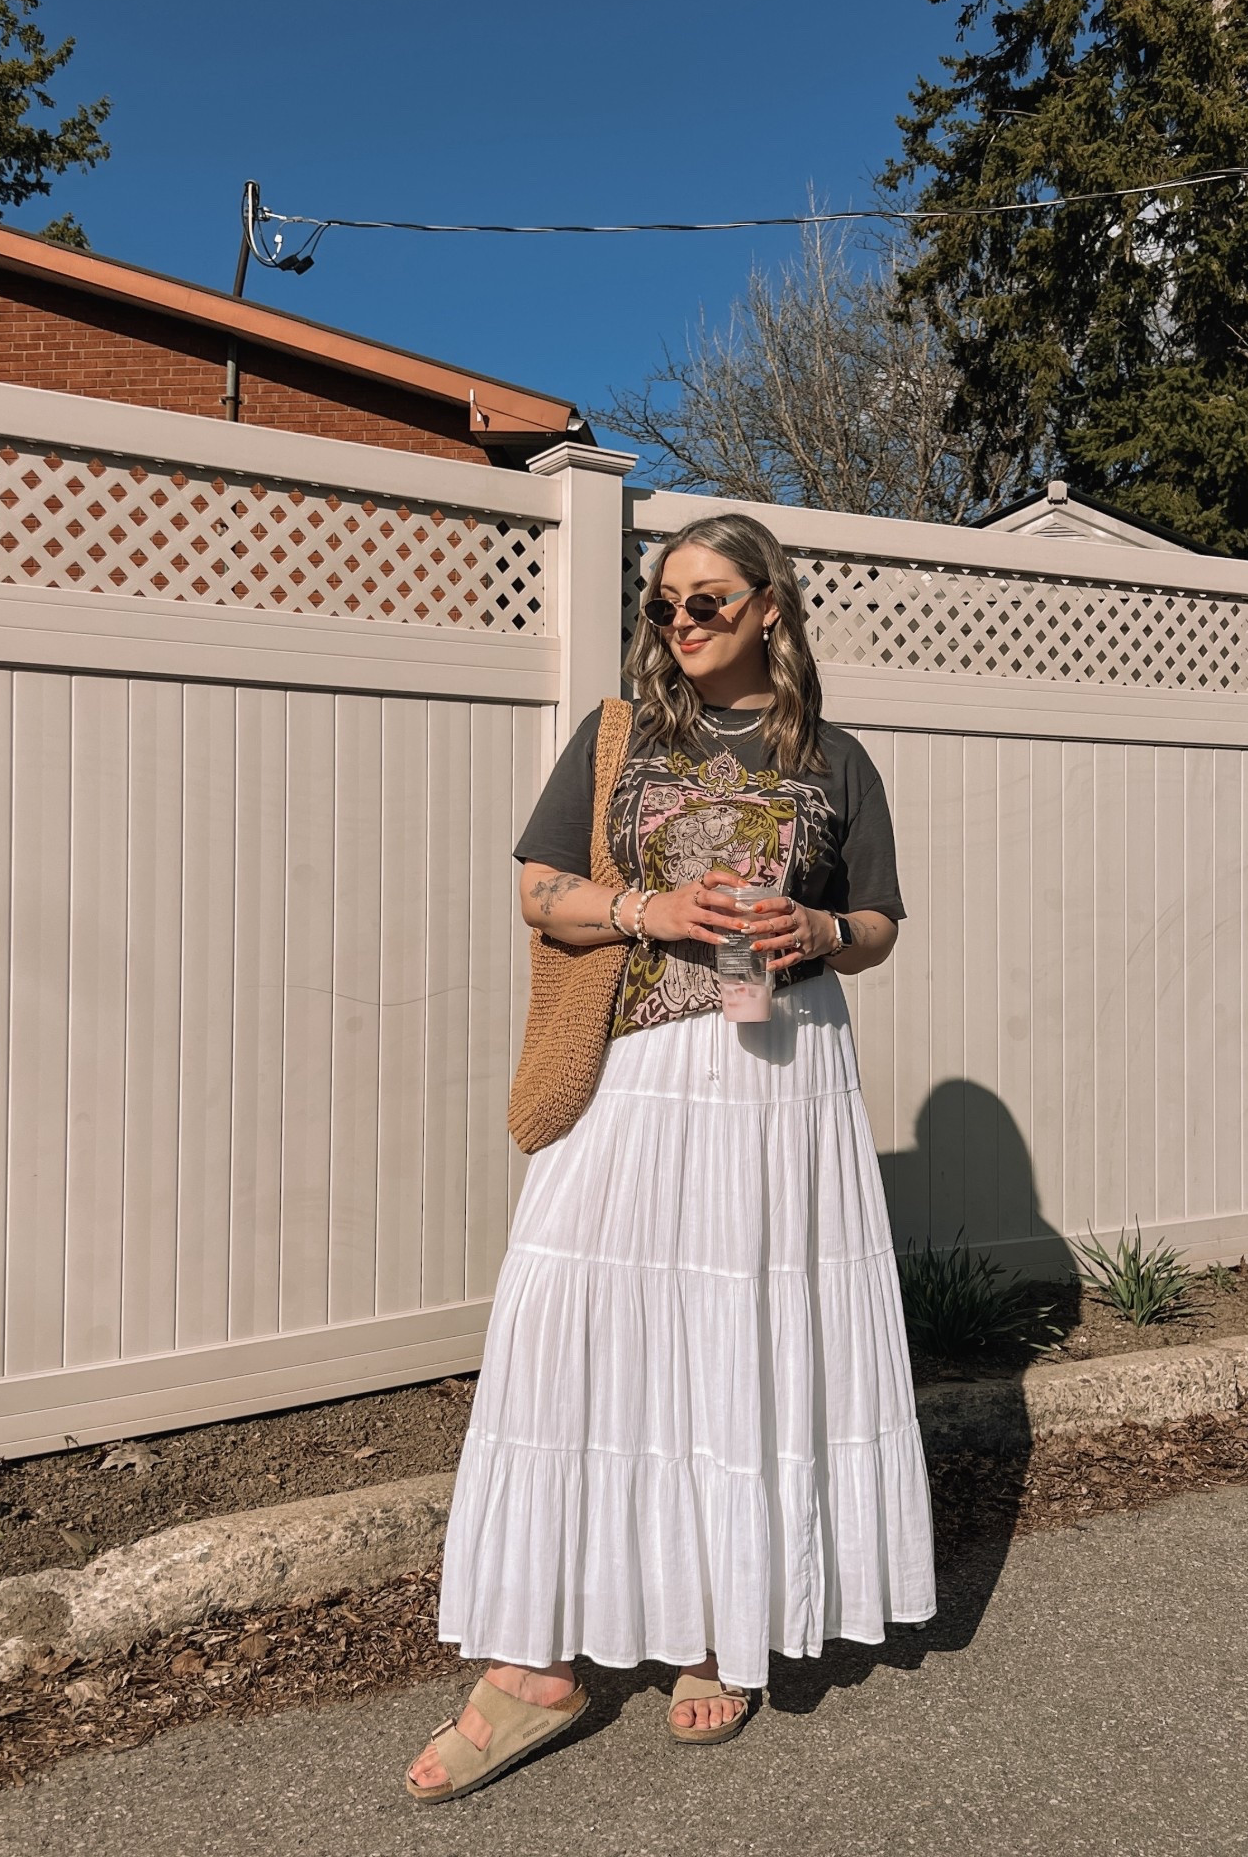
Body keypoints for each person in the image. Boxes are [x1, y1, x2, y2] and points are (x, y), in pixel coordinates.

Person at [405, 510, 934, 1804]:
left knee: (742, 1333)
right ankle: (529, 1665)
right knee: (568, 1321)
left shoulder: (837, 758)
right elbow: (537, 888)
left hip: (784, 1075)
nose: (680, 624)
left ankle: (717, 1617)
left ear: (770, 609)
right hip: (638, 1067)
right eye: (664, 604)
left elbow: (879, 924)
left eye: (706, 601)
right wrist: (648, 906)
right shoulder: (616, 741)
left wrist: (821, 923)